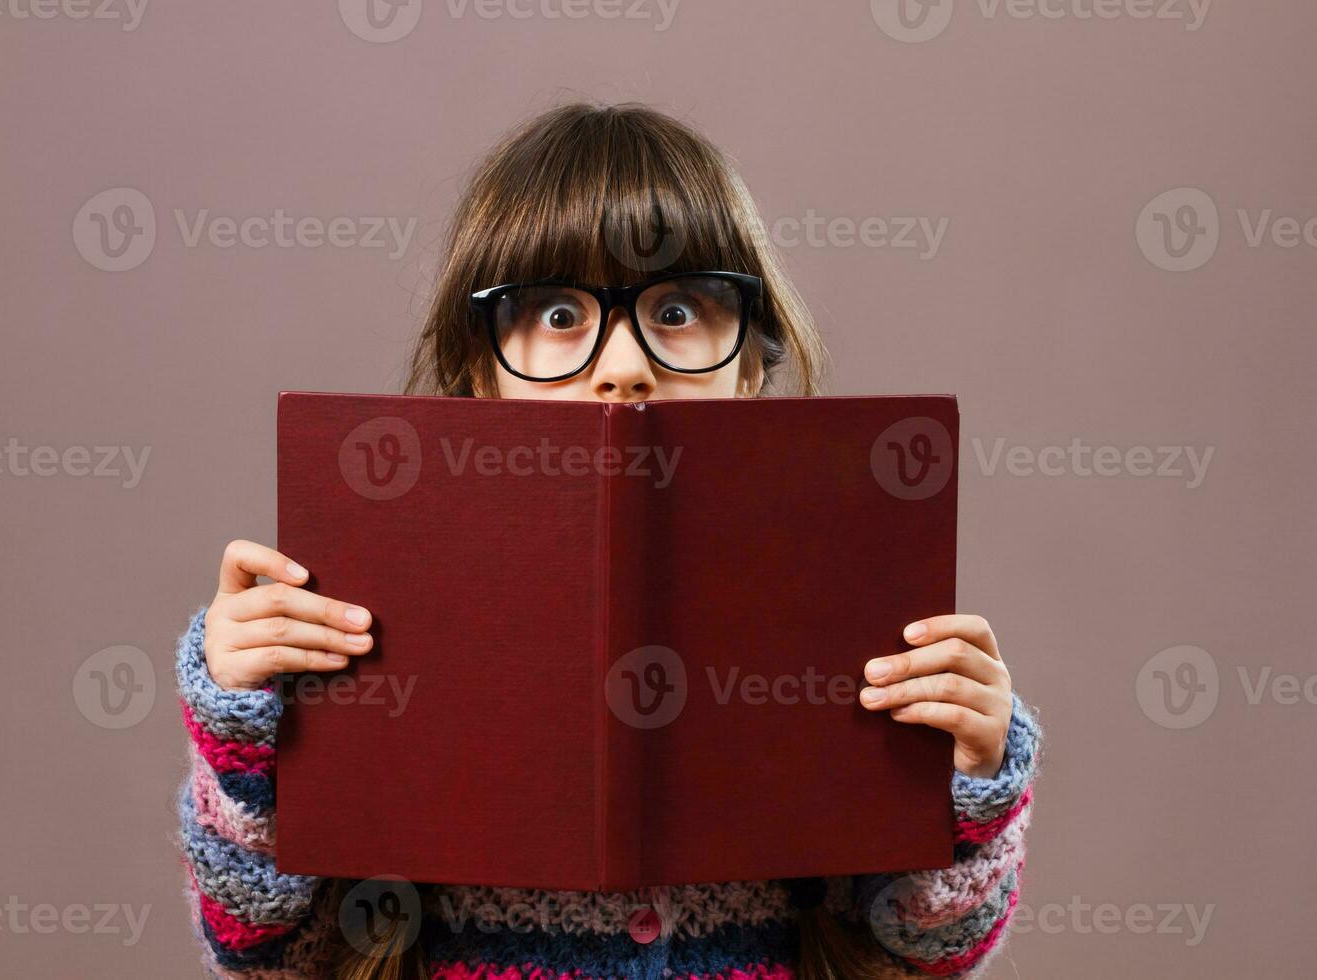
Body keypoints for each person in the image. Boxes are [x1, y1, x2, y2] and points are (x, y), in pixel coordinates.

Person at [175, 102, 1040, 980]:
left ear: (749, 366)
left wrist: (970, 777)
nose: (621, 363)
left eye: (675, 309)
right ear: (480, 369)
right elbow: (267, 953)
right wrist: (241, 722)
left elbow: (927, 952)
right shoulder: (370, 594)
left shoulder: (843, 591)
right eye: (556, 316)